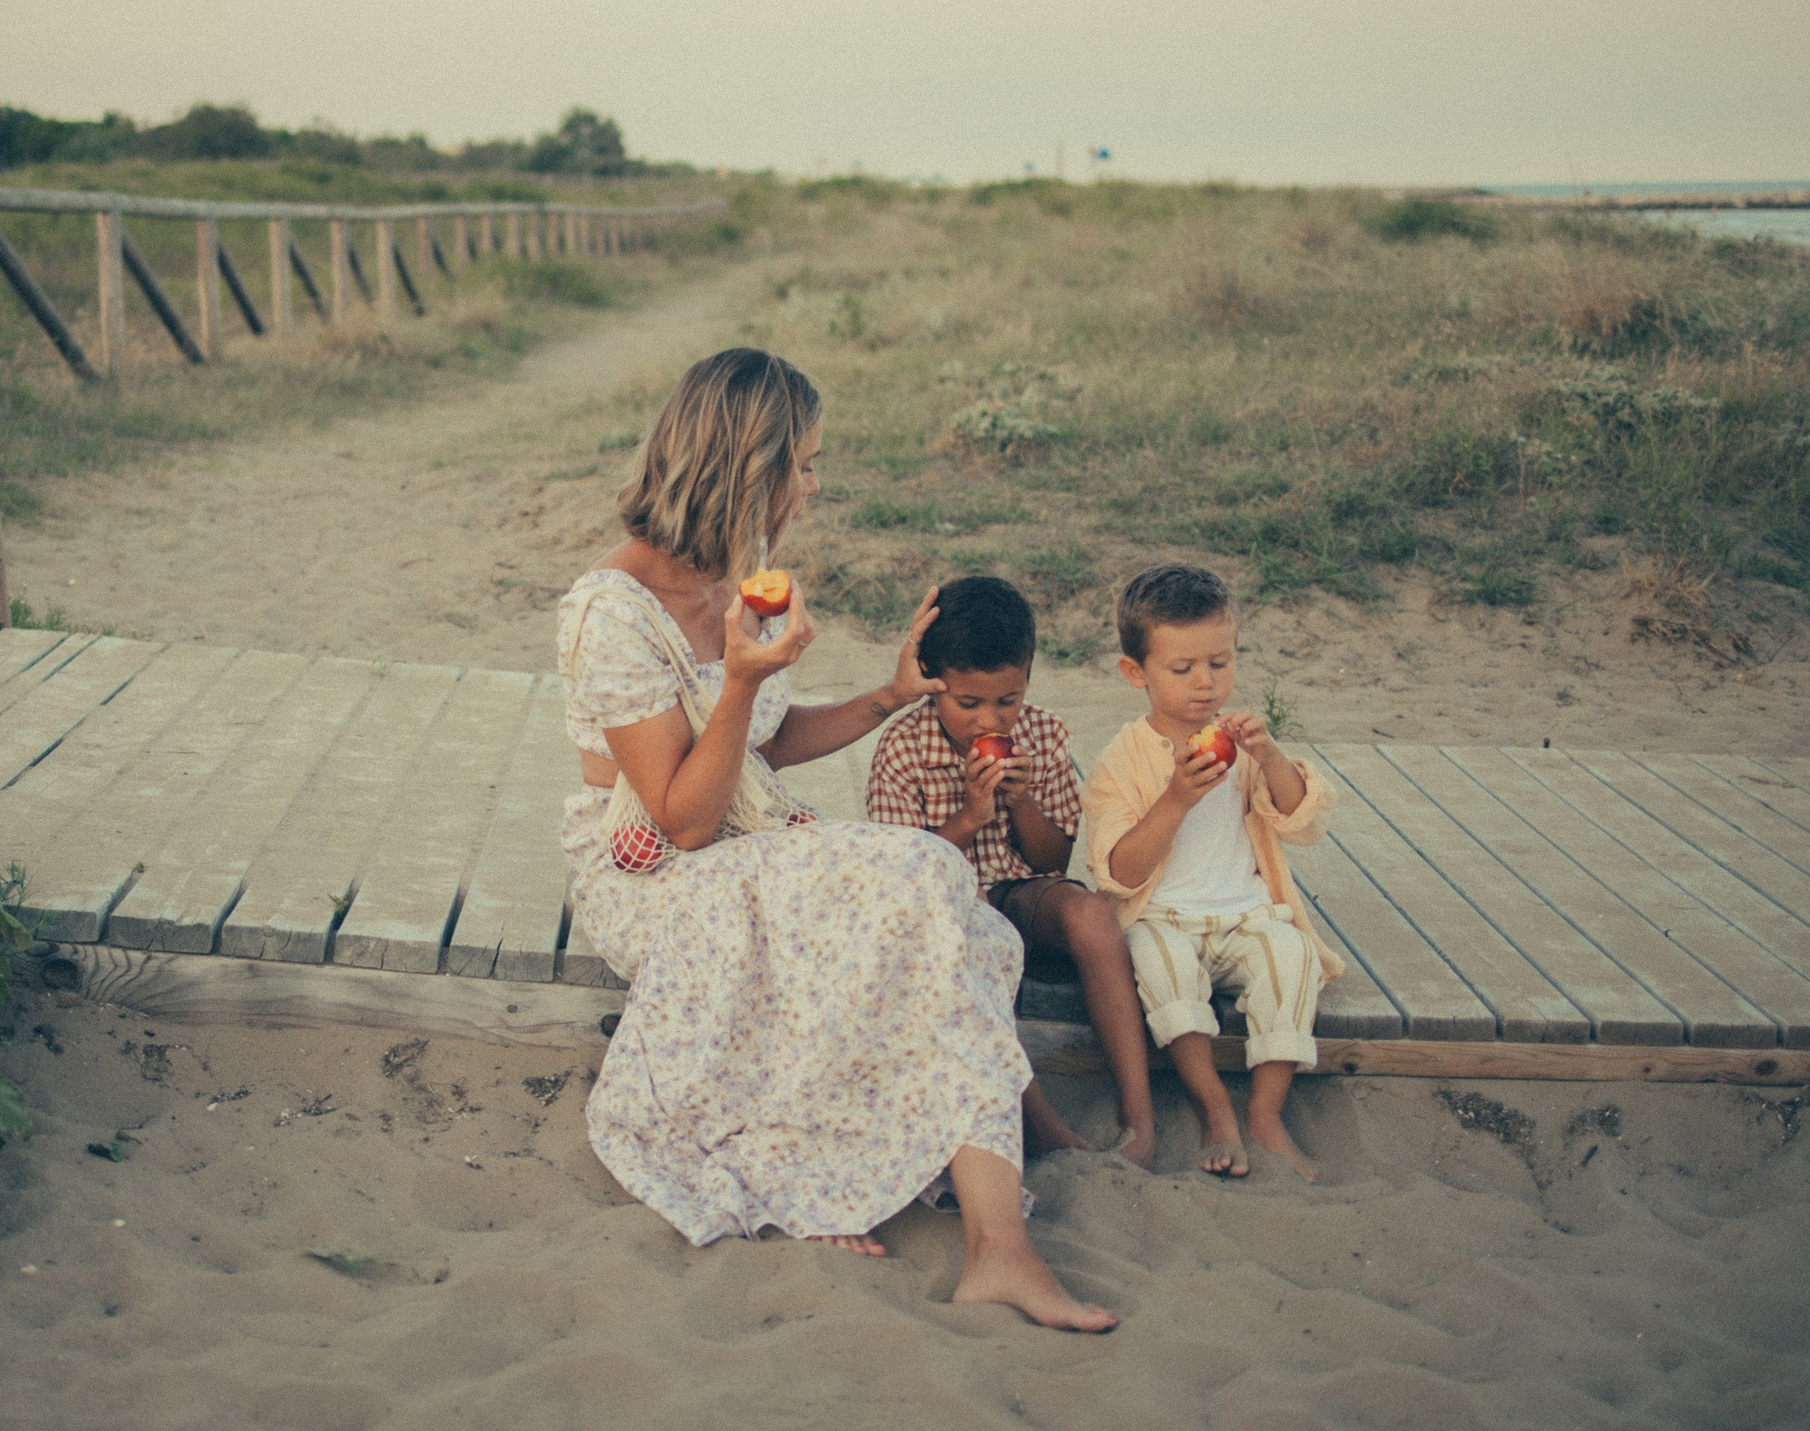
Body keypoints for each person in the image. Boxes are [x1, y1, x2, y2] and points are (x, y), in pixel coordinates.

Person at [558, 348, 1114, 1331]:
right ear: (749, 464)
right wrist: (740, 677)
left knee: (968, 925)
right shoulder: (610, 615)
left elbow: (760, 748)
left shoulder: (737, 575)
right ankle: (950, 1218)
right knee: (925, 869)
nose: (814, 485)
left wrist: (889, 696)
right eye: (805, 463)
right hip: (657, 873)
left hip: (748, 839)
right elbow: (684, 813)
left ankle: (997, 1242)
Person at [865, 574, 1158, 1169]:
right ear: (932, 683)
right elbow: (903, 875)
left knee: (1091, 915)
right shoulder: (902, 749)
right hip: (949, 909)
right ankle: (1041, 1122)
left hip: (1023, 894)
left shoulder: (1042, 734)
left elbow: (1052, 861)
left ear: (1027, 679)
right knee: (972, 942)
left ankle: (1140, 1114)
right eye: (967, 704)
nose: (989, 721)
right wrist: (971, 816)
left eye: (1008, 700)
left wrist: (1021, 802)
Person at [1078, 564, 1341, 1181]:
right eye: (1183, 669)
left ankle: (1266, 1113)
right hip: (1162, 917)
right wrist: (1175, 798)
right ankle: (1214, 1105)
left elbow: (1301, 821)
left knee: (1293, 959)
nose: (1205, 683)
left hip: (1247, 913)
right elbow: (1118, 872)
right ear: (1135, 673)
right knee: (1161, 969)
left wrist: (1271, 757)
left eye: (1219, 663)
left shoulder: (1242, 744)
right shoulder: (1122, 761)